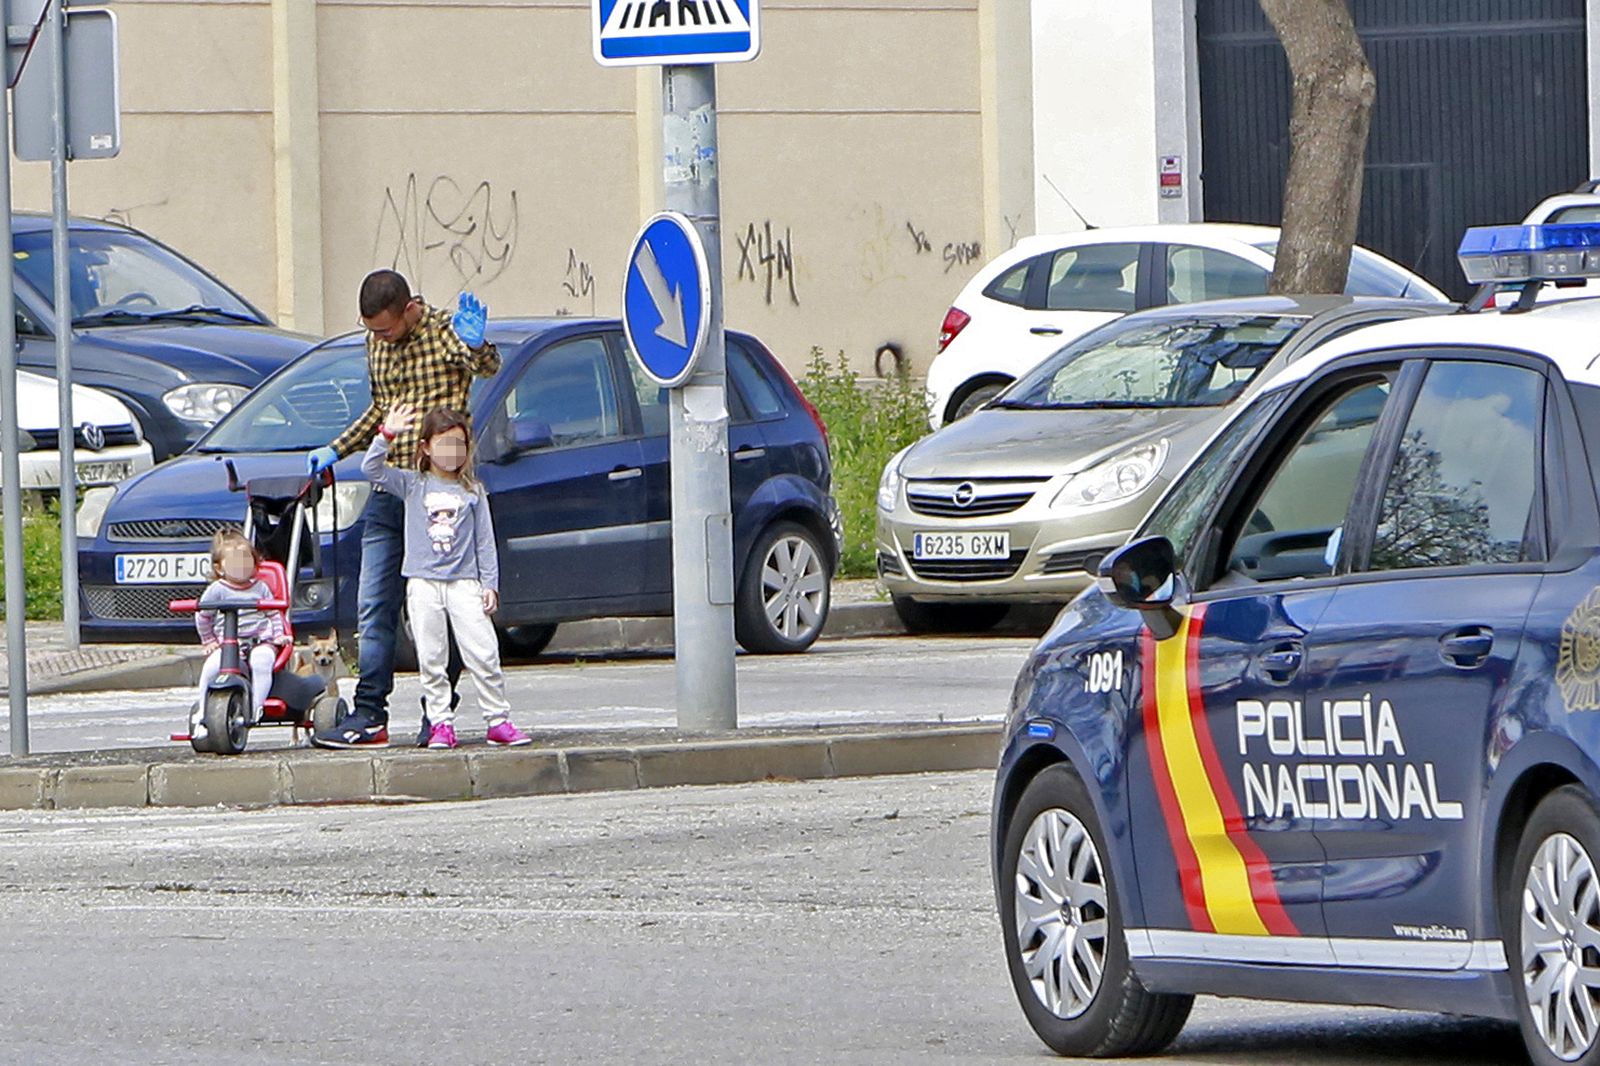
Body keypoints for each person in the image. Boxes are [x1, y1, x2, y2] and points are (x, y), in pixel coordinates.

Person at [308, 270, 501, 748]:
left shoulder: (443, 331)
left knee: (442, 612)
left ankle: (438, 716)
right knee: (374, 606)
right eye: (371, 330)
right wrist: (337, 448)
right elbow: (382, 410)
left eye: (386, 328)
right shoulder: (376, 344)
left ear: (410, 309)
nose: (379, 337)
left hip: (439, 497)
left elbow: (485, 365)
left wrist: (476, 343)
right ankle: (370, 715)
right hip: (391, 489)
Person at [361, 403, 530, 749]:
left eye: (459, 445)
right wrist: (386, 434)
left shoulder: (473, 491)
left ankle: (498, 720)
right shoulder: (413, 484)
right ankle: (440, 722)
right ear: (425, 447)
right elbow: (372, 469)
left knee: (483, 652)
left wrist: (490, 584)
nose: (452, 453)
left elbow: (485, 542)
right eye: (444, 445)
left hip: (465, 583)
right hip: (423, 583)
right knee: (431, 657)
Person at [191, 528, 292, 744]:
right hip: (229, 644)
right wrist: (209, 640)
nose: (241, 567)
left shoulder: (261, 588)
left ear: (255, 564)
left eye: (247, 561)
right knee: (211, 668)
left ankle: (256, 707)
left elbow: (274, 613)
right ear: (219, 568)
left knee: (261, 660)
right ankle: (202, 712)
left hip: (260, 641)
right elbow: (203, 616)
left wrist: (278, 636)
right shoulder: (217, 590)